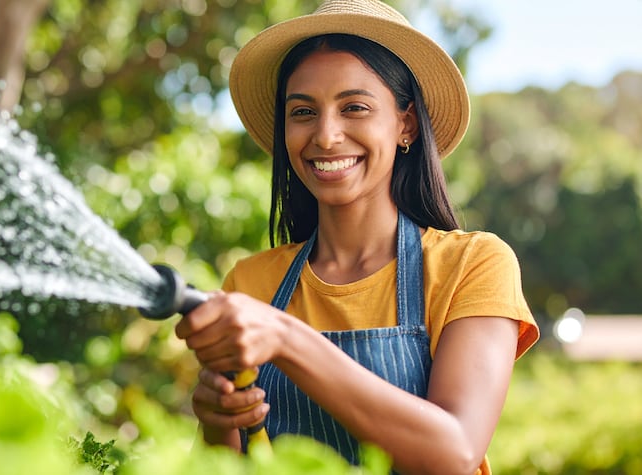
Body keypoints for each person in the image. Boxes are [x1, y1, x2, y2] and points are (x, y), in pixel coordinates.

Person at [174, 0, 540, 474]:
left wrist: (287, 339)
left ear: (405, 124)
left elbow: (454, 451)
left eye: (355, 107)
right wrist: (218, 422)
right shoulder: (250, 283)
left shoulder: (473, 264)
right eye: (303, 111)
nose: (326, 136)